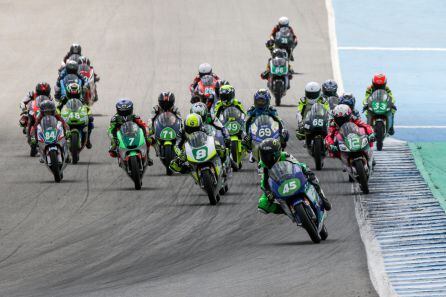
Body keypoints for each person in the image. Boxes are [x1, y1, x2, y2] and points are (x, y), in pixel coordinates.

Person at [257, 138, 331, 214]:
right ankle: (287, 211)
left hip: (290, 176)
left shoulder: (285, 156)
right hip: (276, 184)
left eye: (269, 156)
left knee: (307, 170)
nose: (266, 158)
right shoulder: (261, 165)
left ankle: (322, 197)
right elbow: (264, 182)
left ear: (277, 153)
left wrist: (304, 172)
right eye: (263, 155)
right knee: (262, 205)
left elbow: (298, 166)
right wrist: (268, 193)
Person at [243, 89, 289, 162]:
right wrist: (245, 134)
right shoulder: (251, 109)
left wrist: (282, 130)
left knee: (285, 134)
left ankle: (280, 149)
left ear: (267, 101)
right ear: (255, 101)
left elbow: (279, 120)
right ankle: (252, 150)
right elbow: (246, 122)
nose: (260, 103)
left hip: (269, 128)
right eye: (258, 101)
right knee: (245, 139)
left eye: (262, 101)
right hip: (255, 128)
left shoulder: (271, 109)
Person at [107, 99, 153, 165]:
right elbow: (112, 129)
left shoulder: (134, 116)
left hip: (133, 132)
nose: (125, 113)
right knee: (112, 151)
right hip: (120, 135)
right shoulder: (115, 118)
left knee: (148, 140)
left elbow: (142, 125)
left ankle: (147, 156)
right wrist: (114, 139)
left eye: (127, 111)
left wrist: (145, 135)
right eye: (123, 111)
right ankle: (120, 156)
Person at [58, 82, 94, 149]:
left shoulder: (81, 99)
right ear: (67, 93)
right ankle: (58, 141)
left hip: (78, 115)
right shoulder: (63, 99)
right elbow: (57, 108)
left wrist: (89, 115)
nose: (73, 97)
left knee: (91, 123)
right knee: (58, 125)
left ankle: (88, 139)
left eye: (76, 95)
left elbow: (87, 108)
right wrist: (58, 115)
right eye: (71, 95)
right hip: (67, 116)